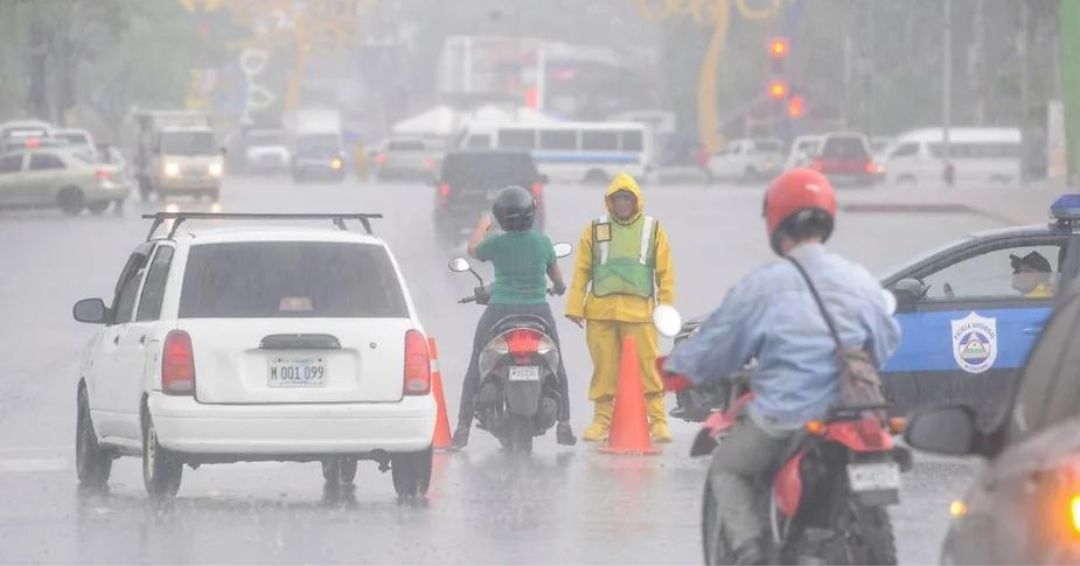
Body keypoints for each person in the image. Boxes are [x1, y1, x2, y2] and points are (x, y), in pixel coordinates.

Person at [664, 168, 901, 564]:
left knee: (728, 469)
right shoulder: (859, 280)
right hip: (855, 412)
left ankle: (752, 553)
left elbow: (717, 348)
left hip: (787, 413)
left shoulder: (765, 285)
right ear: (827, 216)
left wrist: (675, 369)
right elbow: (887, 341)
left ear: (775, 220)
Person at [452, 186, 576, 449]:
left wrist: (483, 225)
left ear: (501, 217)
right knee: (557, 364)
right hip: (537, 311)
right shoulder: (542, 242)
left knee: (476, 363)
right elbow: (558, 280)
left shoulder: (497, 243)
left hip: (500, 310)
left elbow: (473, 249)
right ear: (531, 214)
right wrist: (558, 288)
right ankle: (564, 425)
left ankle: (462, 428)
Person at [566, 173, 676, 443]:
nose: (623, 203)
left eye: (627, 198)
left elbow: (665, 273)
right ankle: (602, 421)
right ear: (610, 202)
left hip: (640, 314)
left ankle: (658, 421)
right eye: (618, 199)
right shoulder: (595, 228)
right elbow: (582, 270)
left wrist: (665, 308)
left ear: (636, 200)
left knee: (649, 366)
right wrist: (574, 306)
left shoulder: (653, 229)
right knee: (604, 369)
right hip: (600, 312)